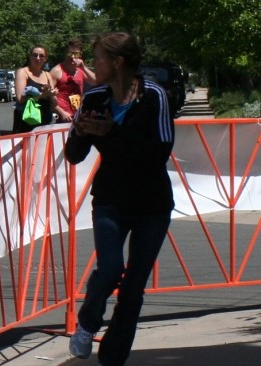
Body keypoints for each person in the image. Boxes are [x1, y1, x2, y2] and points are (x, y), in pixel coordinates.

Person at [65, 32, 174, 366]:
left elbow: (158, 152)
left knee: (133, 286)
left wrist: (110, 133)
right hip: (111, 198)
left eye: (98, 58)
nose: (92, 65)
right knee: (111, 268)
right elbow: (72, 154)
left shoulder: (154, 95)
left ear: (118, 62)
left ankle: (112, 357)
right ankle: (88, 322)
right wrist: (83, 133)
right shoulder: (95, 97)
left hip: (152, 204)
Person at [12, 45, 58, 133]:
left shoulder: (47, 75)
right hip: (26, 121)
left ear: (45, 58)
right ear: (30, 57)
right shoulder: (22, 72)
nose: (38, 58)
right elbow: (20, 99)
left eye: (41, 56)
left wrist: (52, 94)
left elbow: (55, 103)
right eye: (35, 55)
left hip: (45, 120)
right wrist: (42, 95)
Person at [51, 38, 97, 123]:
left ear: (80, 55)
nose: (72, 57)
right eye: (69, 53)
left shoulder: (81, 70)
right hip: (62, 116)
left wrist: (83, 68)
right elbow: (48, 96)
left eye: (75, 54)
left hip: (77, 115)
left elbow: (97, 82)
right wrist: (61, 112)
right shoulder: (56, 71)